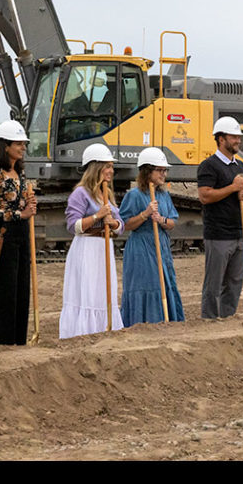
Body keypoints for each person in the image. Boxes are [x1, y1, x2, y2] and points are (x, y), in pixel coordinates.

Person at [59, 143, 125, 338]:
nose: (111, 171)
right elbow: (73, 226)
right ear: (96, 167)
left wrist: (112, 223)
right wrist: (97, 217)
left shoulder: (107, 194)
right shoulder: (80, 193)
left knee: (103, 291)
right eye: (108, 166)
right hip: (87, 248)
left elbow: (121, 226)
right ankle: (84, 332)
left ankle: (106, 327)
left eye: (112, 167)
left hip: (103, 248)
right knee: (88, 291)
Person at [0, 120, 37, 345]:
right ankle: (2, 342)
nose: (23, 148)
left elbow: (21, 205)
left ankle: (18, 340)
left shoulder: (19, 173)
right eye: (19, 144)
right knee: (6, 291)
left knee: (22, 289)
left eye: (24, 144)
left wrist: (29, 206)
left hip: (22, 235)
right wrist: (19, 215)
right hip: (5, 235)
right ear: (6, 146)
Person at [119, 147, 184, 326]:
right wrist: (145, 214)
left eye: (165, 170)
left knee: (165, 282)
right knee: (147, 283)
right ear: (147, 171)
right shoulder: (134, 195)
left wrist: (161, 219)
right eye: (160, 170)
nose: (164, 174)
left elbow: (172, 222)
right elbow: (124, 225)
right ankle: (142, 323)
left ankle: (166, 318)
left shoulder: (164, 195)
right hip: (141, 248)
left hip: (161, 246)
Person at [197, 116, 243, 319]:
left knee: (234, 282)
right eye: (234, 137)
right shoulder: (208, 166)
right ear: (221, 139)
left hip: (239, 232)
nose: (238, 140)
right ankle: (210, 319)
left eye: (238, 137)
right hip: (218, 234)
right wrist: (232, 188)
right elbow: (204, 196)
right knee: (214, 283)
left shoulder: (240, 166)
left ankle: (227, 318)